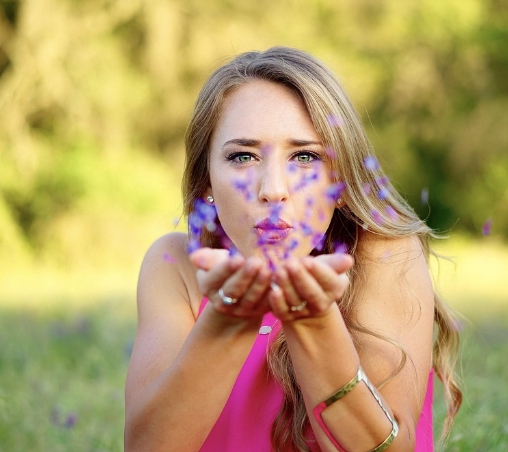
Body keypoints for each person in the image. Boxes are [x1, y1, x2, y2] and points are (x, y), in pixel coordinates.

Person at [124, 47, 462, 452]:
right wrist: (227, 322)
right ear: (206, 181)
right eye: (243, 156)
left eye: (305, 157)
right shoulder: (177, 266)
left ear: (341, 182)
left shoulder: (383, 253)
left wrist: (314, 323)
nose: (273, 190)